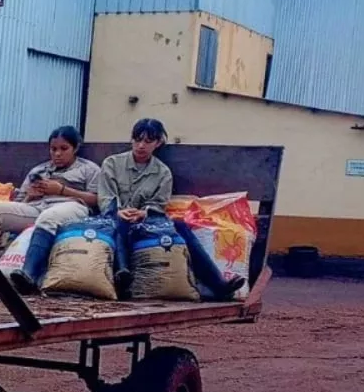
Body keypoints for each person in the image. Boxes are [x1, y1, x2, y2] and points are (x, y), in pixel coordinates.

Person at [18, 118, 243, 300]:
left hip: (146, 222)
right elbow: (105, 198)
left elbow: (158, 204)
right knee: (120, 221)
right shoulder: (113, 164)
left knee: (181, 226)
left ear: (158, 143)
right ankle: (122, 272)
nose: (141, 146)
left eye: (148, 141)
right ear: (132, 140)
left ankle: (218, 283)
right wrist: (117, 211)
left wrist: (144, 212)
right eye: (137, 140)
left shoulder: (162, 172)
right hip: (110, 219)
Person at [0, 125, 100, 236]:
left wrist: (62, 190)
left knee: (48, 217)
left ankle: (35, 252)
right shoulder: (38, 170)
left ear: (75, 148)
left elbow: (97, 200)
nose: (57, 154)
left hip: (69, 207)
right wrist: (30, 196)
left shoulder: (89, 169)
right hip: (35, 209)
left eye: (64, 148)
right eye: (53, 149)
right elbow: (19, 203)